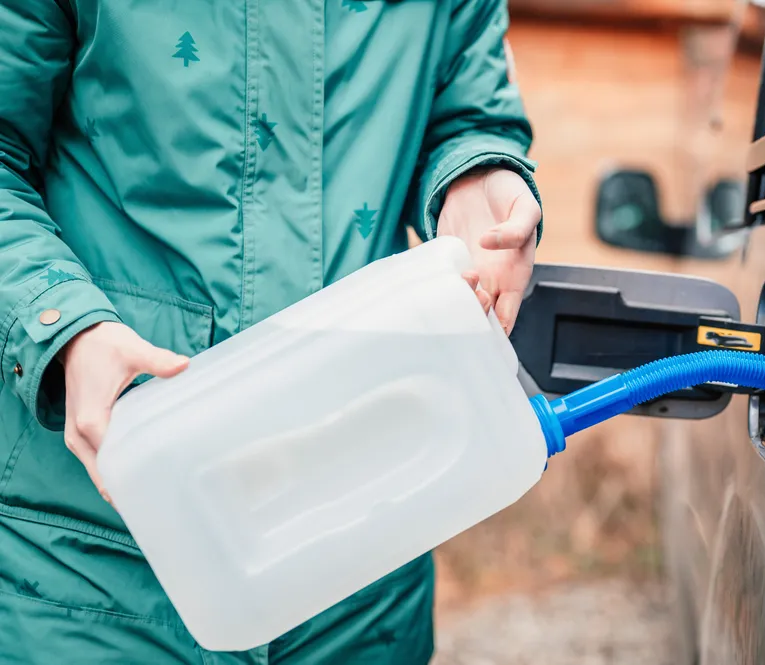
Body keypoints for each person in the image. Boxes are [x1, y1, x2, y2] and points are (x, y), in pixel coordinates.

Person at [0, 0, 542, 662]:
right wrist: (61, 322)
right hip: (95, 557)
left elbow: (464, 110)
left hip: (362, 558)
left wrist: (475, 173)